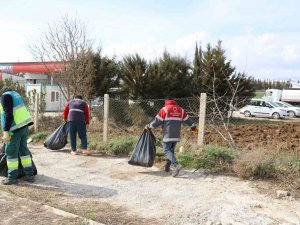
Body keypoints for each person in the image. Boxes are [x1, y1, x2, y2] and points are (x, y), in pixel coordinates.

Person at [145, 98, 198, 177]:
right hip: (176, 135)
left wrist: (149, 126)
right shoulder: (181, 110)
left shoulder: (165, 109)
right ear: (174, 103)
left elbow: (157, 120)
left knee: (166, 150)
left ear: (166, 103)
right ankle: (167, 168)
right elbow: (188, 120)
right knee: (171, 151)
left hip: (167, 135)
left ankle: (176, 165)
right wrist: (194, 127)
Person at [0, 86, 35, 185]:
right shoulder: (16, 95)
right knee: (23, 150)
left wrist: (6, 131)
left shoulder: (5, 97)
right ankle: (29, 175)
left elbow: (8, 114)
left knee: (11, 153)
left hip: (14, 129)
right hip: (23, 127)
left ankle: (12, 178)